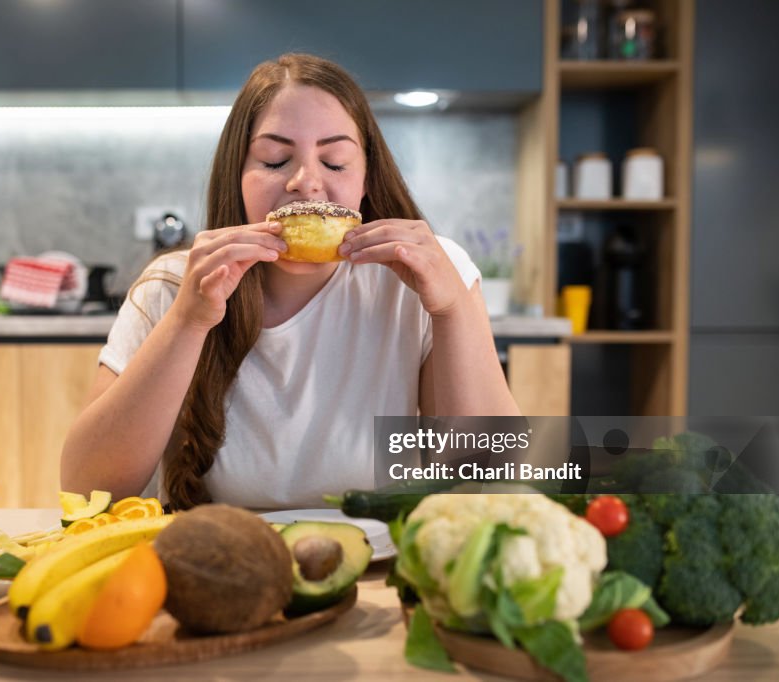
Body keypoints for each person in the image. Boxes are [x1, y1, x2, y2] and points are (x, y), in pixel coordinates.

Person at [61, 53, 520, 510]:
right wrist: (188, 321)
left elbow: (491, 478)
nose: (306, 182)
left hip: (379, 572)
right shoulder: (174, 287)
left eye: (335, 162)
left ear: (365, 180)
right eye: (276, 160)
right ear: (236, 179)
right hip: (219, 566)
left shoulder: (427, 277)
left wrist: (452, 310)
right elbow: (85, 490)